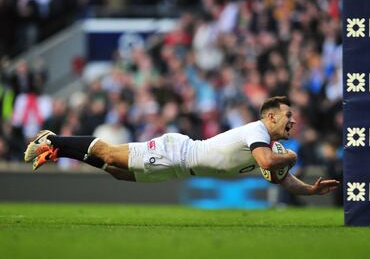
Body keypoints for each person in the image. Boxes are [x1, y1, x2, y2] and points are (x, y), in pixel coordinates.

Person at [24, 96, 339, 195]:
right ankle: (51, 139)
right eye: (288, 116)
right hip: (177, 152)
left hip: (180, 167)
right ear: (270, 117)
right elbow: (270, 164)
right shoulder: (258, 131)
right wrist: (292, 155)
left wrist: (310, 190)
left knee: (119, 173)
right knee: (110, 153)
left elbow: (282, 176)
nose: (292, 122)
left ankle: (60, 151)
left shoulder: (266, 144)